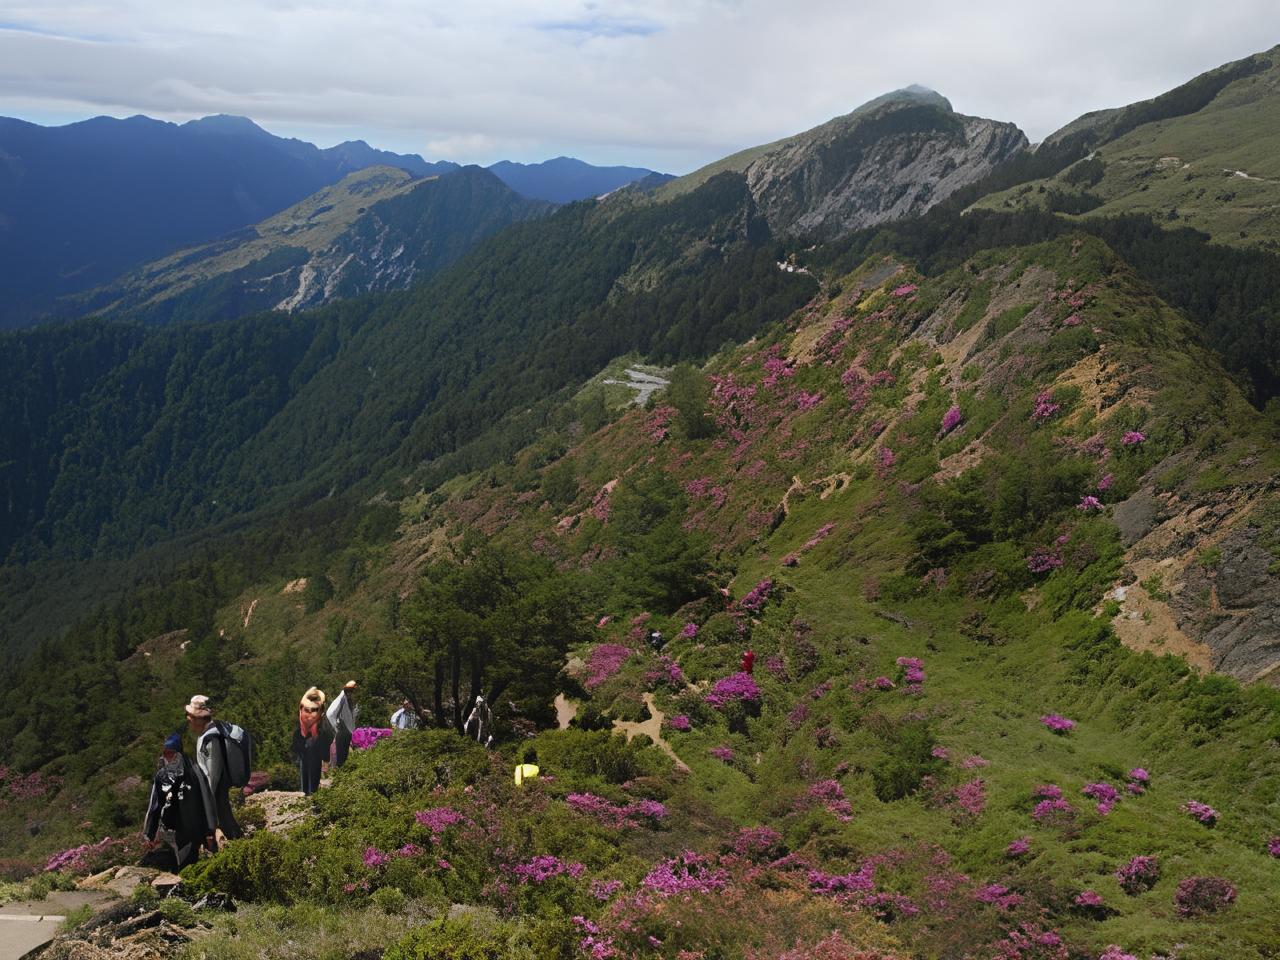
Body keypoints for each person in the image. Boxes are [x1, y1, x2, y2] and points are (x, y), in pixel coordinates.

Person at [141, 732, 215, 869]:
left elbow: (206, 799)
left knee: (188, 864)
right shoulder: (166, 775)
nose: (168, 757)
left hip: (191, 830)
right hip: (176, 831)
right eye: (166, 753)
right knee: (188, 864)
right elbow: (155, 807)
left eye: (171, 753)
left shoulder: (193, 772)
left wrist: (209, 830)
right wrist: (149, 835)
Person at [184, 695, 243, 843]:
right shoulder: (208, 734)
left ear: (199, 718)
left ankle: (240, 848)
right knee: (225, 820)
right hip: (216, 788)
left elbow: (213, 773)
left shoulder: (211, 739)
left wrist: (206, 800)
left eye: (190, 715)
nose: (188, 718)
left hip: (216, 789)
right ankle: (239, 846)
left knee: (224, 821)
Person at [292, 687, 332, 796]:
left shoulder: (304, 707)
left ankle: (306, 793)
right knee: (313, 770)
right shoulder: (318, 708)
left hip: (306, 742)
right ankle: (312, 793)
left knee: (306, 768)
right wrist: (326, 759)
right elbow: (324, 734)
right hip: (314, 742)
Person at [326, 680, 359, 768]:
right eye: (350, 691)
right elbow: (330, 713)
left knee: (344, 753)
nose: (351, 693)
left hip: (347, 730)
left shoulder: (347, 700)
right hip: (342, 729)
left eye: (352, 691)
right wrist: (336, 726)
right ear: (347, 691)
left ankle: (340, 772)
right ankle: (337, 772)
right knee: (340, 753)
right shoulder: (341, 699)